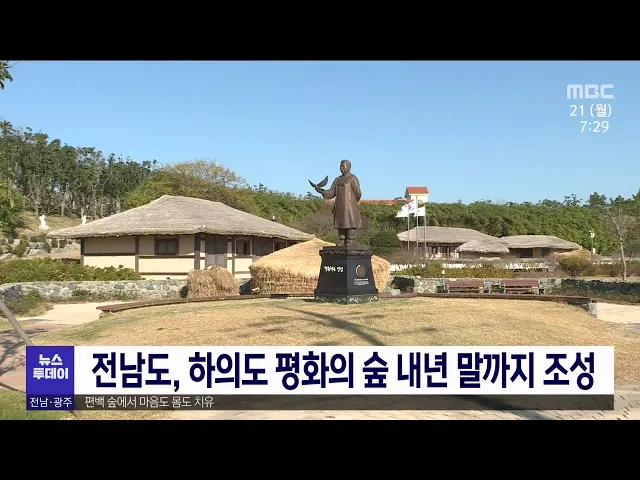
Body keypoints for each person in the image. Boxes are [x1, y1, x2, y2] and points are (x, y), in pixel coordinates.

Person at [315, 159, 362, 246]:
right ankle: (342, 239)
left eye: (343, 166)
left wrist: (352, 202)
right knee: (340, 222)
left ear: (349, 167)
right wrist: (322, 191)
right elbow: (331, 192)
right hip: (339, 205)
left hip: (350, 206)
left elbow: (358, 193)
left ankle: (350, 239)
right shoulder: (337, 180)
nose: (341, 168)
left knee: (350, 222)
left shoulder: (353, 178)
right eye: (340, 166)